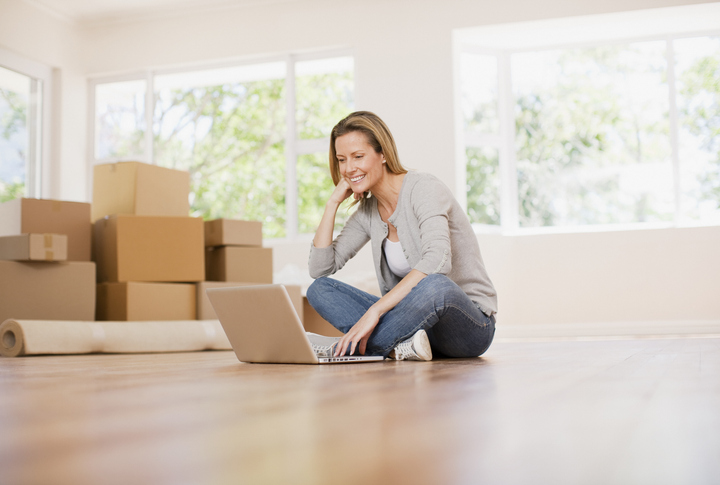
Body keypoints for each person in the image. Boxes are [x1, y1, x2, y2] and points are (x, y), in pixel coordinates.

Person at [306, 111, 497, 361]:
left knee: (434, 284)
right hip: (416, 329)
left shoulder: (424, 188)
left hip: (469, 326)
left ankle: (349, 348)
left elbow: (437, 261)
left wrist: (375, 311)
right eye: (342, 160)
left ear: (382, 154)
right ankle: (399, 348)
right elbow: (320, 268)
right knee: (319, 289)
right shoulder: (368, 212)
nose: (349, 168)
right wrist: (332, 203)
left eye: (358, 156)